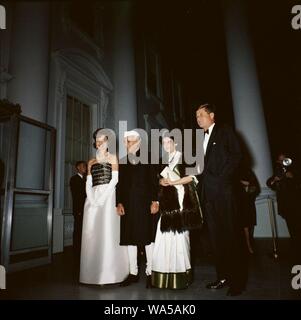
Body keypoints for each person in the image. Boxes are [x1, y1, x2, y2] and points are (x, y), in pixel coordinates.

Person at [196, 103, 248, 296]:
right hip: (208, 196)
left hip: (224, 194)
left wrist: (222, 179)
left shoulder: (224, 131)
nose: (198, 118)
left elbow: (237, 156)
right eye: (196, 116)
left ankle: (238, 282)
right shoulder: (201, 138)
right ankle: (223, 277)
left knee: (232, 237)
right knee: (216, 240)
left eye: (201, 115)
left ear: (212, 115)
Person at [151, 134, 203, 289]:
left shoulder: (185, 157)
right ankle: (164, 276)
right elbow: (160, 181)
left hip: (181, 199)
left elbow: (192, 178)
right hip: (168, 201)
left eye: (169, 142)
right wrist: (161, 181)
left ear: (176, 142)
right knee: (164, 236)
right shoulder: (165, 160)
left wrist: (173, 182)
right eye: (164, 142)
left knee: (180, 237)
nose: (166, 145)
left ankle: (181, 277)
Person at [80, 129, 129, 285]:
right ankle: (91, 273)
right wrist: (91, 198)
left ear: (108, 142)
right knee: (91, 233)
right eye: (97, 140)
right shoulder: (91, 161)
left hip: (108, 197)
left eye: (103, 140)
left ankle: (110, 273)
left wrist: (101, 199)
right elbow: (88, 182)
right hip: (92, 199)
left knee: (107, 231)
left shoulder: (113, 158)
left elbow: (115, 180)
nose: (99, 143)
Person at [116, 130, 159, 288]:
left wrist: (155, 201)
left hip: (144, 204)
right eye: (127, 141)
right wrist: (119, 202)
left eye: (132, 141)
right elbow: (120, 184)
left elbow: (154, 182)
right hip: (127, 206)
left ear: (139, 142)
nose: (129, 144)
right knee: (130, 239)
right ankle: (133, 273)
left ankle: (151, 273)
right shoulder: (122, 160)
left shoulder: (149, 157)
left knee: (147, 238)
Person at [267, 153, 301, 263]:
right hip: (286, 206)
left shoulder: (294, 169)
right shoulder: (278, 171)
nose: (283, 162)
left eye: (284, 159)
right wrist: (275, 180)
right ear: (278, 161)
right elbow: (269, 183)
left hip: (296, 204)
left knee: (297, 228)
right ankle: (296, 252)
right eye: (280, 160)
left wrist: (293, 177)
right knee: (292, 229)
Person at [236, 166, 260, 255]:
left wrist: (248, 186)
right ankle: (247, 247)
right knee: (244, 226)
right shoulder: (231, 171)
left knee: (249, 225)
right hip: (237, 203)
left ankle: (249, 246)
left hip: (247, 203)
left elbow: (255, 188)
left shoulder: (248, 171)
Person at [70, 161, 87, 265]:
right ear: (78, 168)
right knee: (78, 230)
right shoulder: (74, 179)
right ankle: (76, 251)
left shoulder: (86, 179)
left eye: (85, 166)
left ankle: (83, 250)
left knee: (84, 230)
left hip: (86, 209)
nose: (85, 167)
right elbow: (77, 196)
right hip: (79, 209)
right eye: (83, 166)